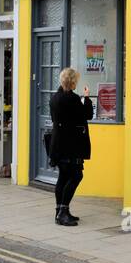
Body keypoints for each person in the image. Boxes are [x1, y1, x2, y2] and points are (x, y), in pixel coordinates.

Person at [49, 67, 93, 227]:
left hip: (58, 144)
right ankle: (63, 212)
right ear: (72, 82)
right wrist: (87, 98)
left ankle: (59, 211)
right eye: (75, 81)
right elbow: (87, 115)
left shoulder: (55, 97)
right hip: (71, 145)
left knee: (63, 177)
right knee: (75, 176)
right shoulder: (72, 99)